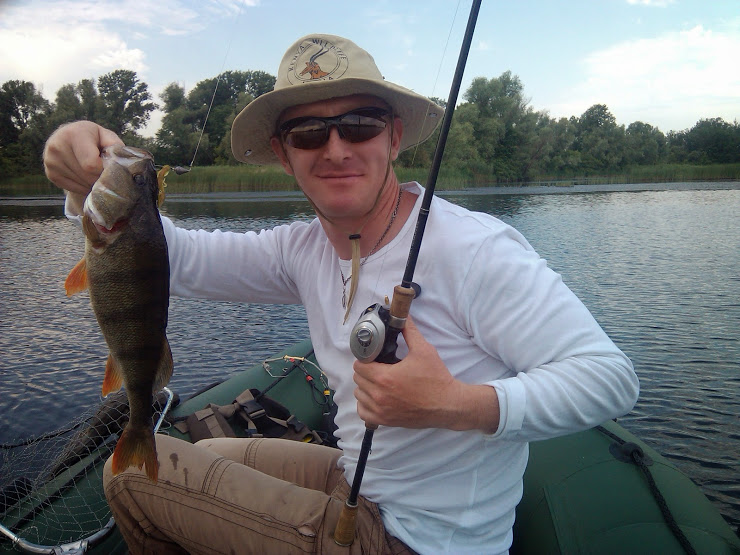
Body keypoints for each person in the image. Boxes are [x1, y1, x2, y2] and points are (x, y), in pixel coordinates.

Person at [44, 34, 639, 555]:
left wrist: (455, 404)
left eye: (359, 125)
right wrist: (83, 175)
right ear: (284, 154)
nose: (335, 149)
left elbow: (609, 378)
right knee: (194, 452)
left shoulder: (474, 249)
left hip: (416, 540)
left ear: (394, 137)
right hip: (359, 481)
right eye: (308, 133)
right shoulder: (302, 249)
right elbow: (166, 253)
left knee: (129, 479)